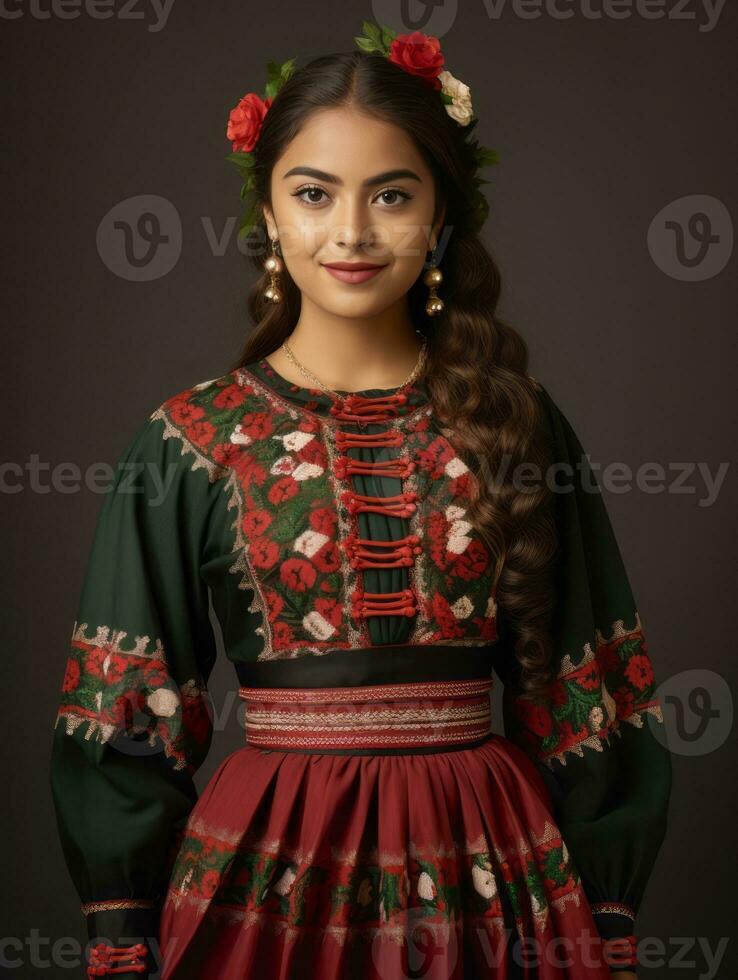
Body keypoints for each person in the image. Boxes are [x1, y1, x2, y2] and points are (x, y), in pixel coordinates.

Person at [49, 22, 672, 980]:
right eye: (313, 193)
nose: (350, 232)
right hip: (268, 877)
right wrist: (120, 925)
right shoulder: (188, 443)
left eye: (392, 194)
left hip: (491, 874)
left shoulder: (516, 425)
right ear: (267, 211)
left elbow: (586, 690)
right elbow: (129, 710)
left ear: (441, 217)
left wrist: (609, 904)